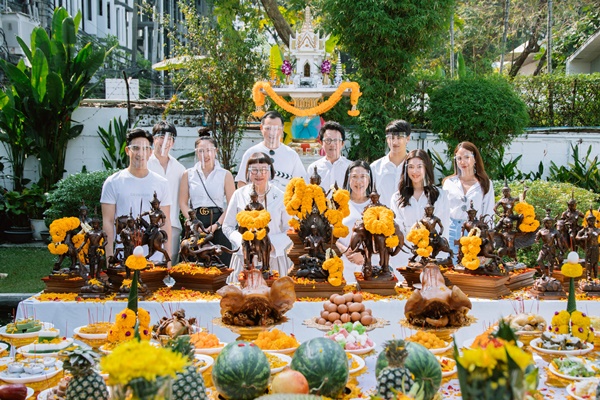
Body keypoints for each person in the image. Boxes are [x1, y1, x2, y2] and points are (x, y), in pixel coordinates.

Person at [101, 129, 171, 264]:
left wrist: (168, 262)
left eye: (145, 148)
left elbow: (166, 223)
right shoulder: (112, 182)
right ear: (127, 151)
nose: (140, 153)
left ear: (150, 152)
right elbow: (108, 221)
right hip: (124, 258)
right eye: (136, 148)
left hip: (155, 261)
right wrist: (109, 258)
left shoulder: (162, 183)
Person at [223, 152, 292, 282]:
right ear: (248, 173)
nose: (259, 174)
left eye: (263, 169)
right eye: (254, 170)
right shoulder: (239, 195)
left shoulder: (281, 196)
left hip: (272, 257)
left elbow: (290, 229)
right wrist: (243, 241)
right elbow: (227, 226)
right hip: (244, 258)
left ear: (270, 172)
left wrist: (273, 244)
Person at [179, 131, 235, 266]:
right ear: (196, 153)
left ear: (216, 151)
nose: (205, 155)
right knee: (193, 264)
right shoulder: (188, 174)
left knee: (221, 264)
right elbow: (182, 202)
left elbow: (232, 204)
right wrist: (193, 223)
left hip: (218, 222)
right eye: (201, 151)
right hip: (196, 221)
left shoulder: (225, 174)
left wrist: (217, 225)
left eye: (209, 150)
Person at [391, 150, 450, 267]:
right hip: (406, 258)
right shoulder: (397, 198)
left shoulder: (440, 195)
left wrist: (435, 258)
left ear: (426, 168)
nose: (415, 171)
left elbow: (444, 228)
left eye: (419, 167)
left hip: (432, 257)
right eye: (411, 167)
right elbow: (398, 229)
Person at [442, 141, 494, 262]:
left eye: (467, 157)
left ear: (475, 159)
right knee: (451, 266)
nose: (463, 162)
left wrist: (488, 241)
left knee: (471, 267)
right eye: (459, 158)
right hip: (451, 230)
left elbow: (489, 213)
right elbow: (443, 210)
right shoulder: (449, 183)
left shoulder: (485, 184)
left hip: (474, 232)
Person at [235, 111, 306, 192]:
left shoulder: (291, 154)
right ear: (261, 128)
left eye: (276, 129)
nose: (272, 133)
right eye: (268, 128)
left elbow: (301, 183)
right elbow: (241, 182)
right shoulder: (251, 153)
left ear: (282, 129)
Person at [147, 121, 186, 264]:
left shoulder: (180, 169)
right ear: (154, 139)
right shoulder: (145, 164)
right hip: (148, 227)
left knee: (170, 264)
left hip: (173, 225)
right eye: (161, 137)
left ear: (173, 143)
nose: (165, 142)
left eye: (170, 138)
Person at [335, 161, 379, 284]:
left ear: (369, 179)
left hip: (370, 265)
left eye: (363, 176)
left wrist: (364, 255)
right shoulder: (340, 204)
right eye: (354, 176)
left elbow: (382, 239)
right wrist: (345, 250)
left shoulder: (376, 206)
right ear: (348, 179)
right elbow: (329, 234)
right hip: (342, 264)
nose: (358, 181)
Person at [370, 120, 411, 208]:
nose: (395, 142)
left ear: (408, 139)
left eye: (399, 138)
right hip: (381, 215)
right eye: (391, 138)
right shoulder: (375, 167)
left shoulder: (414, 168)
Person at [305, 121, 352, 191]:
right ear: (321, 143)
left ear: (342, 143)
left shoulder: (351, 168)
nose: (332, 144)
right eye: (328, 140)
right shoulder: (313, 169)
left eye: (336, 140)